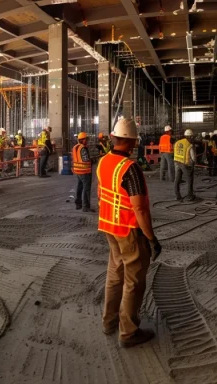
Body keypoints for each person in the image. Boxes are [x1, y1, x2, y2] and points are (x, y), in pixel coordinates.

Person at [96, 118, 161, 348]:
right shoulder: (130, 169)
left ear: (113, 138)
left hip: (108, 226)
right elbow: (140, 209)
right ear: (132, 142)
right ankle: (128, 333)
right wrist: (151, 239)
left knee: (115, 275)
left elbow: (101, 194)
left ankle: (109, 321)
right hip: (128, 230)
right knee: (133, 281)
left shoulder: (103, 161)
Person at [174, 129, 198, 201]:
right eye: (192, 137)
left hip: (177, 162)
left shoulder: (177, 142)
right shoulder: (189, 145)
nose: (193, 139)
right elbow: (193, 158)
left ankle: (178, 196)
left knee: (177, 180)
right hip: (185, 164)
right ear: (190, 137)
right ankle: (190, 196)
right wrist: (193, 163)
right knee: (190, 179)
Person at [72, 132, 94, 212]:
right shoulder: (83, 148)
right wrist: (92, 160)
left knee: (79, 187)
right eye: (86, 139)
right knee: (86, 189)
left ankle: (78, 204)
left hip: (78, 171)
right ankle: (86, 207)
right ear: (82, 140)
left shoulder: (75, 147)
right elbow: (85, 159)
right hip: (85, 171)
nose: (87, 141)